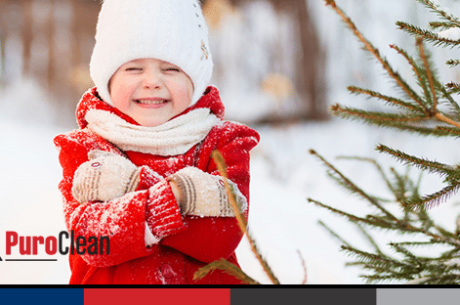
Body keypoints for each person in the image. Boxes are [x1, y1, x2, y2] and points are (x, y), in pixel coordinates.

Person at [53, 0, 259, 284]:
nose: (152, 81)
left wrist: (129, 187)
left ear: (195, 80)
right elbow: (92, 238)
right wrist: (181, 194)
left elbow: (221, 236)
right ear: (107, 80)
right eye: (134, 68)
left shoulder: (222, 143)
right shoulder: (85, 147)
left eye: (171, 69)